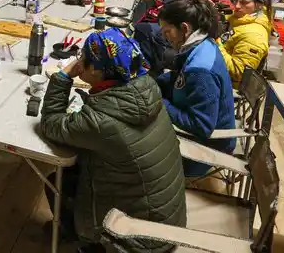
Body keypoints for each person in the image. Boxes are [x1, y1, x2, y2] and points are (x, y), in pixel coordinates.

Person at [40, 28, 186, 251]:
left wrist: (62, 77)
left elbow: (51, 124)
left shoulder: (101, 120)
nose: (78, 61)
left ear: (98, 71)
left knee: (57, 181)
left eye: (83, 58)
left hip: (143, 240)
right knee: (75, 171)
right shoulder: (146, 86)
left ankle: (87, 242)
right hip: (167, 220)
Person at [157, 0, 236, 178]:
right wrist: (157, 82)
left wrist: (160, 103)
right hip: (200, 125)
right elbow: (181, 78)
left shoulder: (200, 71)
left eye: (167, 31)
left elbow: (201, 126)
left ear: (184, 28)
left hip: (206, 147)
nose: (164, 36)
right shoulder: (202, 44)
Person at [219, 0, 272, 84]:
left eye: (244, 2)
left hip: (227, 87)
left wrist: (216, 43)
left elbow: (238, 73)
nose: (237, 6)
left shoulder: (254, 36)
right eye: (235, 0)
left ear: (259, 5)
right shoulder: (241, 19)